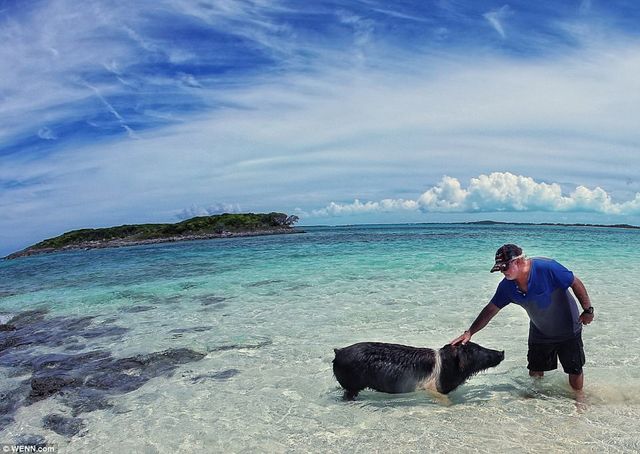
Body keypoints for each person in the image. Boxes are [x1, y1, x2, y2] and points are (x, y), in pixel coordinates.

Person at [451, 244, 594, 391]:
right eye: (499, 268)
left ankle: (579, 399)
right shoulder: (507, 287)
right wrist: (470, 332)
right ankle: (536, 398)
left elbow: (575, 282)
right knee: (535, 371)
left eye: (504, 267)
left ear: (518, 262)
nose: (502, 272)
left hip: (568, 328)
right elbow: (490, 310)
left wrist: (588, 310)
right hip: (540, 331)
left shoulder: (547, 268)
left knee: (574, 369)